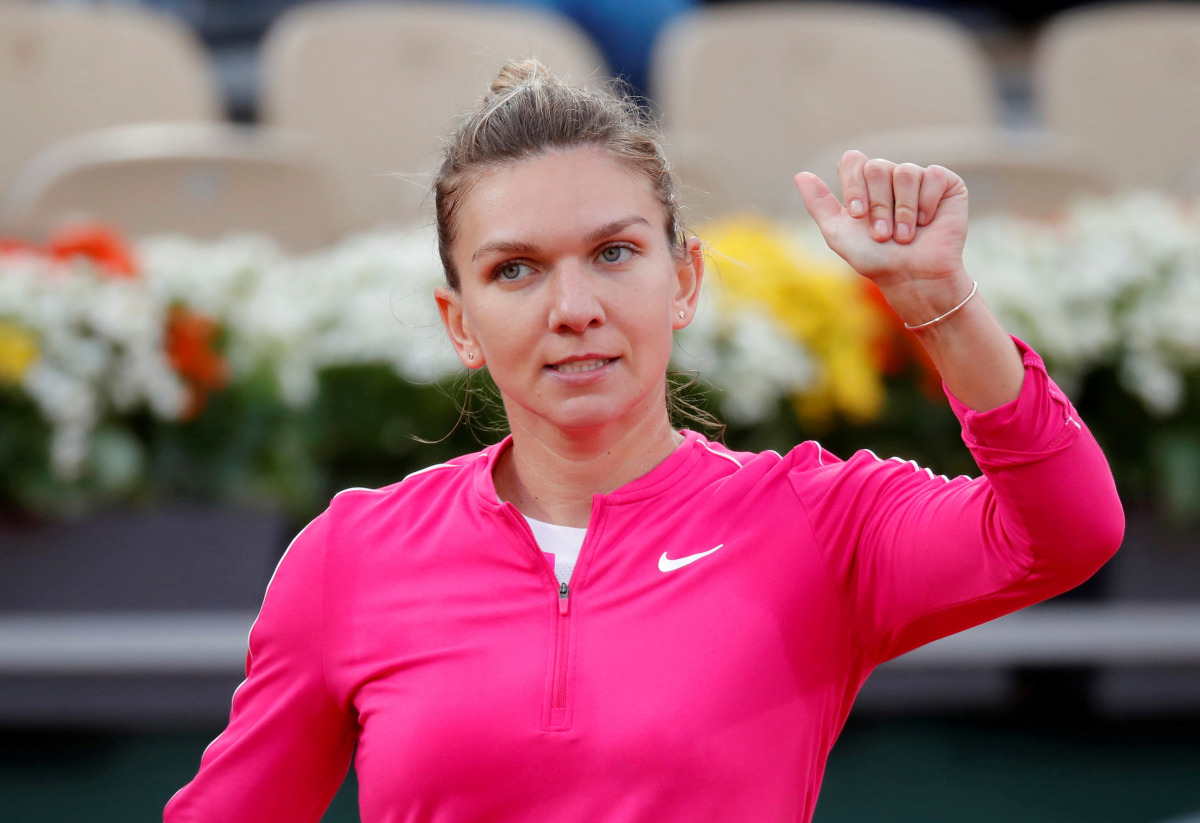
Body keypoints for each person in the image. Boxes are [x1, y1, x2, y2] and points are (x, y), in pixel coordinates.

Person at [164, 60, 1124, 822]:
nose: (574, 308)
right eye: (516, 270)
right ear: (460, 323)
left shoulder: (817, 520)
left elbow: (1067, 530)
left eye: (614, 253)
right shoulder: (350, 555)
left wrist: (940, 309)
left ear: (686, 280)